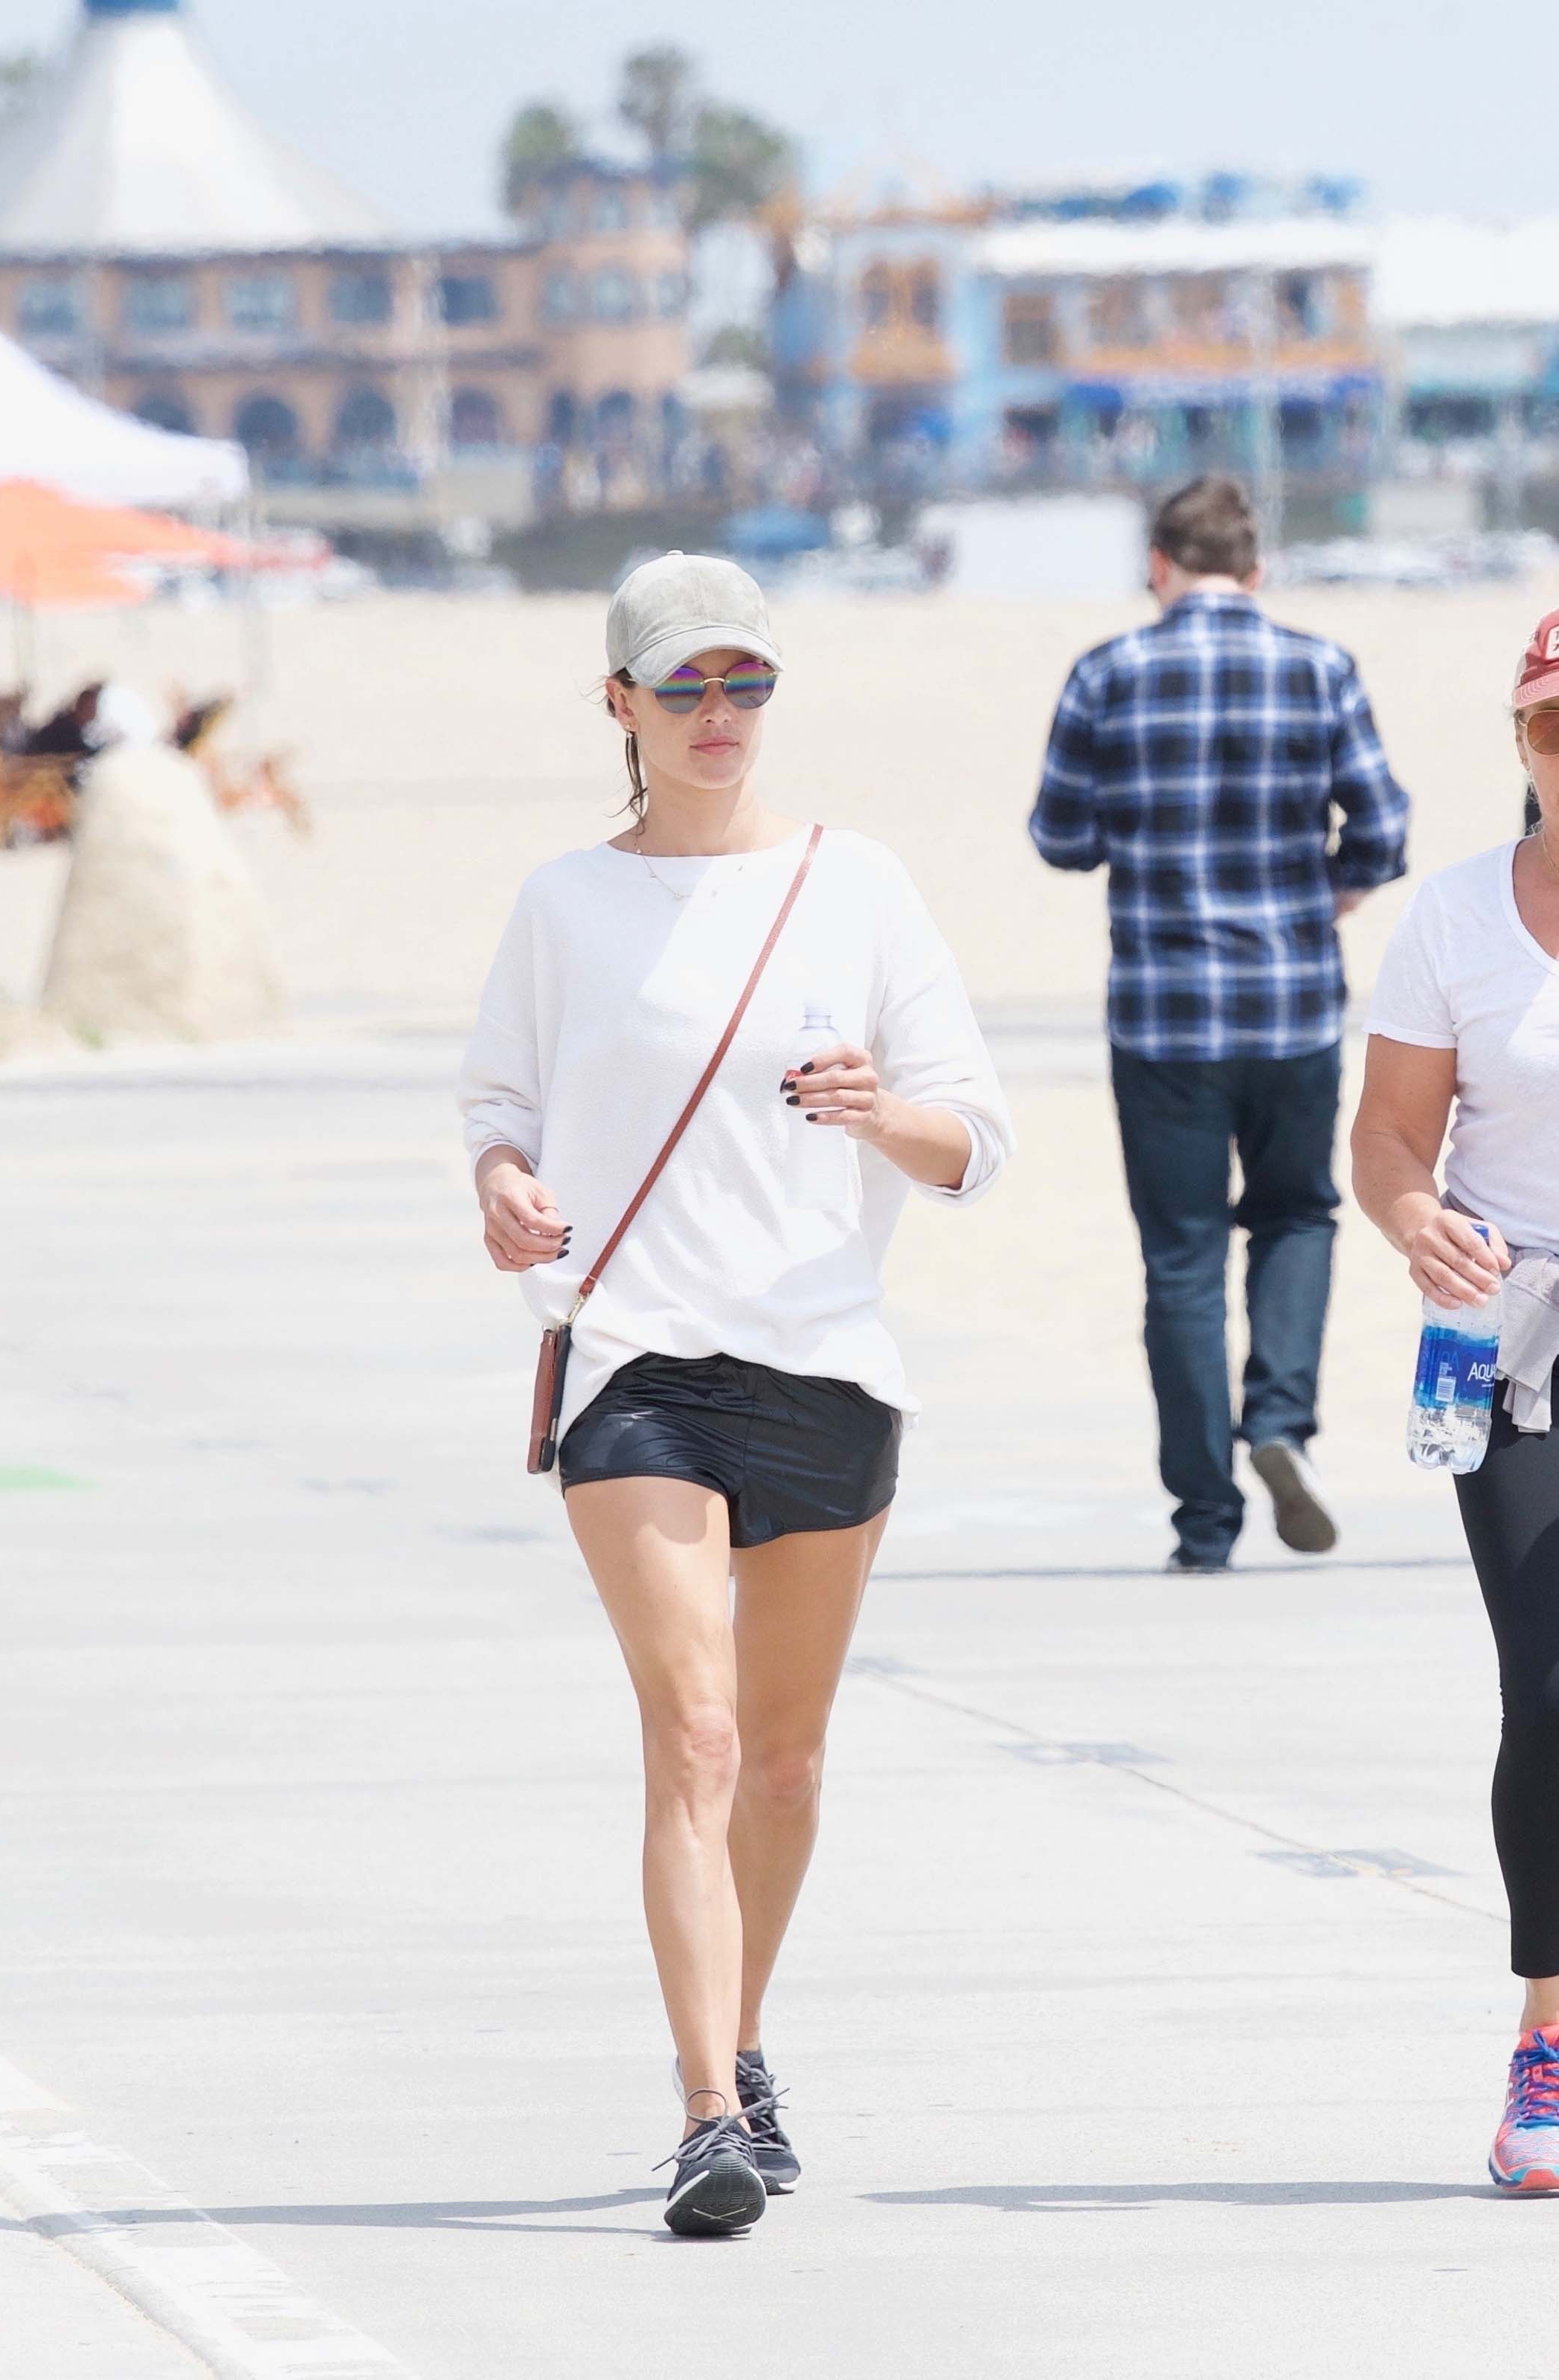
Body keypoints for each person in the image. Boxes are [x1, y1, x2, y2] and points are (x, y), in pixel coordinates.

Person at [457, 552, 1012, 2236]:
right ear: (617, 704)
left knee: (780, 1760)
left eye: (744, 683)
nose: (717, 715)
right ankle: (706, 2112)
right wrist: (501, 1186)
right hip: (637, 1366)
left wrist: (875, 1111)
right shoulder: (564, 902)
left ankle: (745, 2041)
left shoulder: (859, 886)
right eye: (683, 687)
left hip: (824, 1360)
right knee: (690, 1732)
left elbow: (973, 1139)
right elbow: (498, 1103)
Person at [1030, 475, 1409, 1572]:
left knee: (1181, 1262)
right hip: (1290, 1005)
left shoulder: (1107, 672)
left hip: (1161, 1016)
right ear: (1254, 569)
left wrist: (1139, 831)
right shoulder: (1318, 665)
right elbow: (1382, 823)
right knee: (1294, 1217)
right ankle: (1279, 1425)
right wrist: (1334, 884)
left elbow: (1059, 834)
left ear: (1157, 565)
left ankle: (1204, 1518)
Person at [1351, 605, 1559, 2193]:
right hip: (1500, 1340)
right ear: (1519, 743)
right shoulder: (1452, 920)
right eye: (1552, 727)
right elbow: (1385, 1141)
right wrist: (1412, 1214)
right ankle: (1541, 2044)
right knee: (1546, 1690)